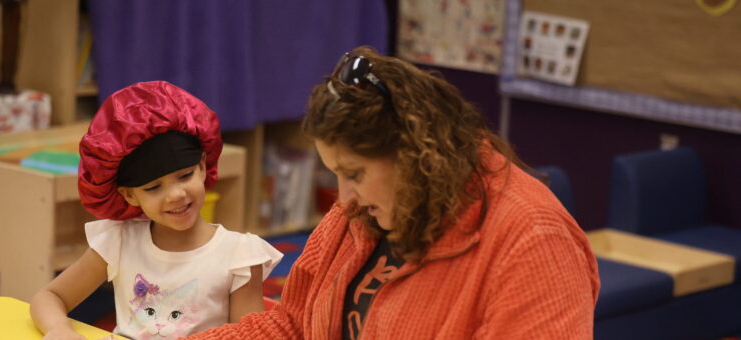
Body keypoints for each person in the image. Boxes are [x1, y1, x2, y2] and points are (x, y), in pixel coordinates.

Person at [183, 46, 600, 340]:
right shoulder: (364, 213)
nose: (343, 200)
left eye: (355, 174)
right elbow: (294, 326)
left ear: (416, 155)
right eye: (336, 176)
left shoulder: (535, 242)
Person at [30, 81, 283, 340]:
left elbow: (250, 337)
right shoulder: (118, 241)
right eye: (153, 187)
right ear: (129, 195)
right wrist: (58, 328)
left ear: (203, 166)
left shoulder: (239, 257)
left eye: (185, 176)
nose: (176, 194)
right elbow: (50, 296)